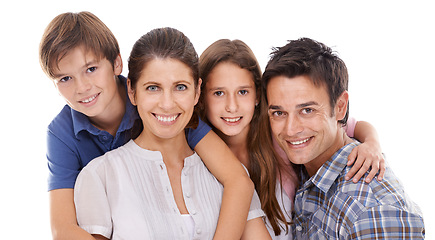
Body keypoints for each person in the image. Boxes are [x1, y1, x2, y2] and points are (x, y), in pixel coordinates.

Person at [39, 12, 254, 239]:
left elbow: (237, 179)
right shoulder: (62, 133)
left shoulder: (161, 108)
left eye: (91, 69)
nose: (82, 87)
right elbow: (63, 229)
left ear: (117, 64)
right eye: (65, 78)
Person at [198, 39, 386, 239]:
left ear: (258, 95)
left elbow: (349, 125)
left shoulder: (279, 133)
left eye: (243, 91)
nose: (232, 106)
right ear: (200, 96)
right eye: (219, 93)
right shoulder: (199, 150)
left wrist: (372, 143)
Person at [262, 37, 425, 239]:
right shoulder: (308, 164)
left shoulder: (370, 211)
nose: (291, 129)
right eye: (279, 113)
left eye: (307, 110)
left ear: (340, 107)